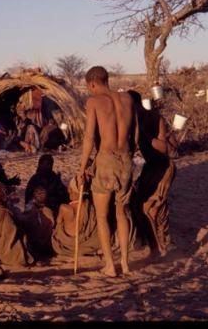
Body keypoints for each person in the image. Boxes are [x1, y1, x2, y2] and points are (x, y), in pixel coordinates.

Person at [77, 66, 136, 277]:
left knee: (102, 216)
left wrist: (82, 168)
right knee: (122, 213)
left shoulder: (93, 102)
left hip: (106, 161)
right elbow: (134, 136)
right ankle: (126, 264)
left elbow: (89, 138)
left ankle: (110, 266)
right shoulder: (128, 99)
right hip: (126, 161)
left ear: (92, 83)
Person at [131, 93, 177, 258]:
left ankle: (158, 248)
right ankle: (157, 245)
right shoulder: (134, 120)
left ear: (135, 104)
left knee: (149, 210)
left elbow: (164, 149)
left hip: (162, 168)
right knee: (143, 207)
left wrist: (143, 135)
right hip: (150, 169)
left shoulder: (154, 118)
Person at [25, 154, 69, 218]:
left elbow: (63, 195)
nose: (47, 166)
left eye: (49, 164)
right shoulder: (35, 179)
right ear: (40, 165)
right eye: (44, 164)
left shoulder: (54, 177)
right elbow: (30, 198)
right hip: (38, 211)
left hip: (55, 209)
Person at [17, 185, 55, 260]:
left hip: (34, 246)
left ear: (33, 198)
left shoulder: (29, 211)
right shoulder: (49, 211)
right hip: (47, 246)